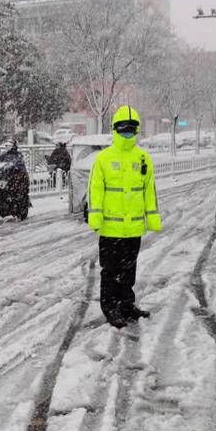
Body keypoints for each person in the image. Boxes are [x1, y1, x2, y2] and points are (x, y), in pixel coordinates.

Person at [87, 105, 162, 328]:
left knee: (129, 270)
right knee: (110, 271)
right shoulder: (104, 159)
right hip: (111, 229)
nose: (127, 132)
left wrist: (153, 218)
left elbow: (149, 190)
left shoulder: (143, 158)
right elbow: (95, 190)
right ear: (115, 130)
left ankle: (127, 305)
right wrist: (95, 218)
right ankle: (111, 308)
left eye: (131, 128)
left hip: (134, 229)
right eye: (123, 128)